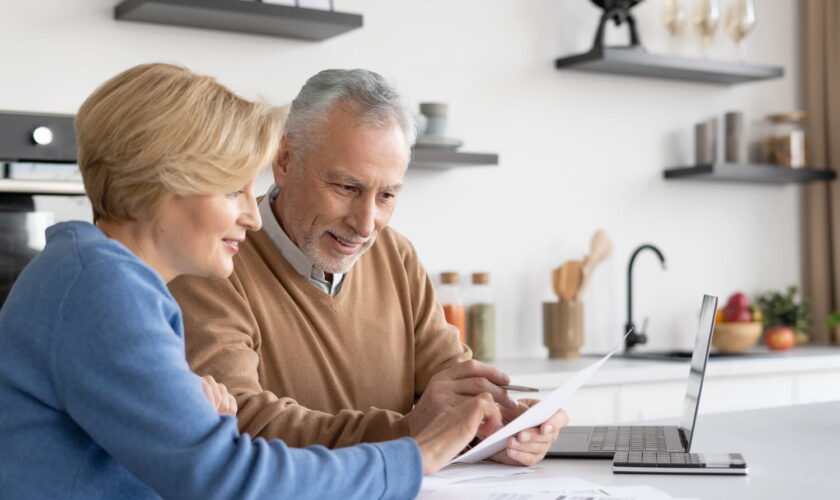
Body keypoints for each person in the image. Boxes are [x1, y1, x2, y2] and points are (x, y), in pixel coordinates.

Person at [0, 63, 504, 500]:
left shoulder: (96, 276)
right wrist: (415, 454)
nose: (253, 215)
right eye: (233, 189)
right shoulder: (102, 290)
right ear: (165, 185)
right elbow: (226, 479)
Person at [169, 68, 567, 466]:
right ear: (285, 160)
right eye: (346, 188)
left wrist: (505, 425)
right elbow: (242, 421)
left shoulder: (396, 255)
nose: (365, 224)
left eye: (388, 195)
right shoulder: (212, 260)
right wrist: (411, 433)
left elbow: (453, 379)